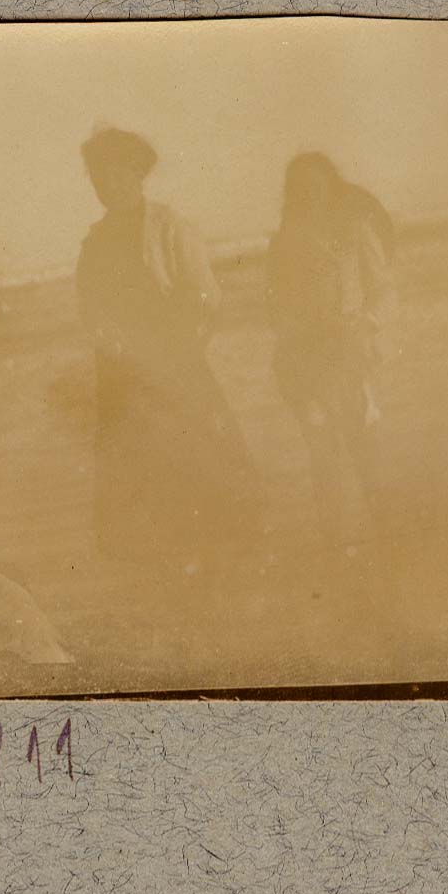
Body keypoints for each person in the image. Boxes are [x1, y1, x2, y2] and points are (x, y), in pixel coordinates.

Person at [74, 127, 260, 577]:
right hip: (122, 375)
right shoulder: (95, 242)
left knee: (198, 463)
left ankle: (216, 565)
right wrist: (112, 341)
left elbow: (204, 296)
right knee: (139, 475)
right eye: (98, 178)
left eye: (117, 174)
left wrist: (178, 351)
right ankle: (169, 567)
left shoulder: (168, 226)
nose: (107, 186)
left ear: (138, 175)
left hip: (173, 363)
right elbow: (90, 309)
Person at [265, 152, 396, 549]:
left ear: (330, 187)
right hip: (304, 359)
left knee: (365, 447)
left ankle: (390, 537)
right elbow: (275, 306)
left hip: (350, 355)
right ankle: (336, 546)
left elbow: (383, 290)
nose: (308, 193)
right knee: (322, 454)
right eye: (300, 187)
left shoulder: (354, 231)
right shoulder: (283, 242)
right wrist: (294, 332)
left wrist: (366, 324)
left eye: (316, 185)